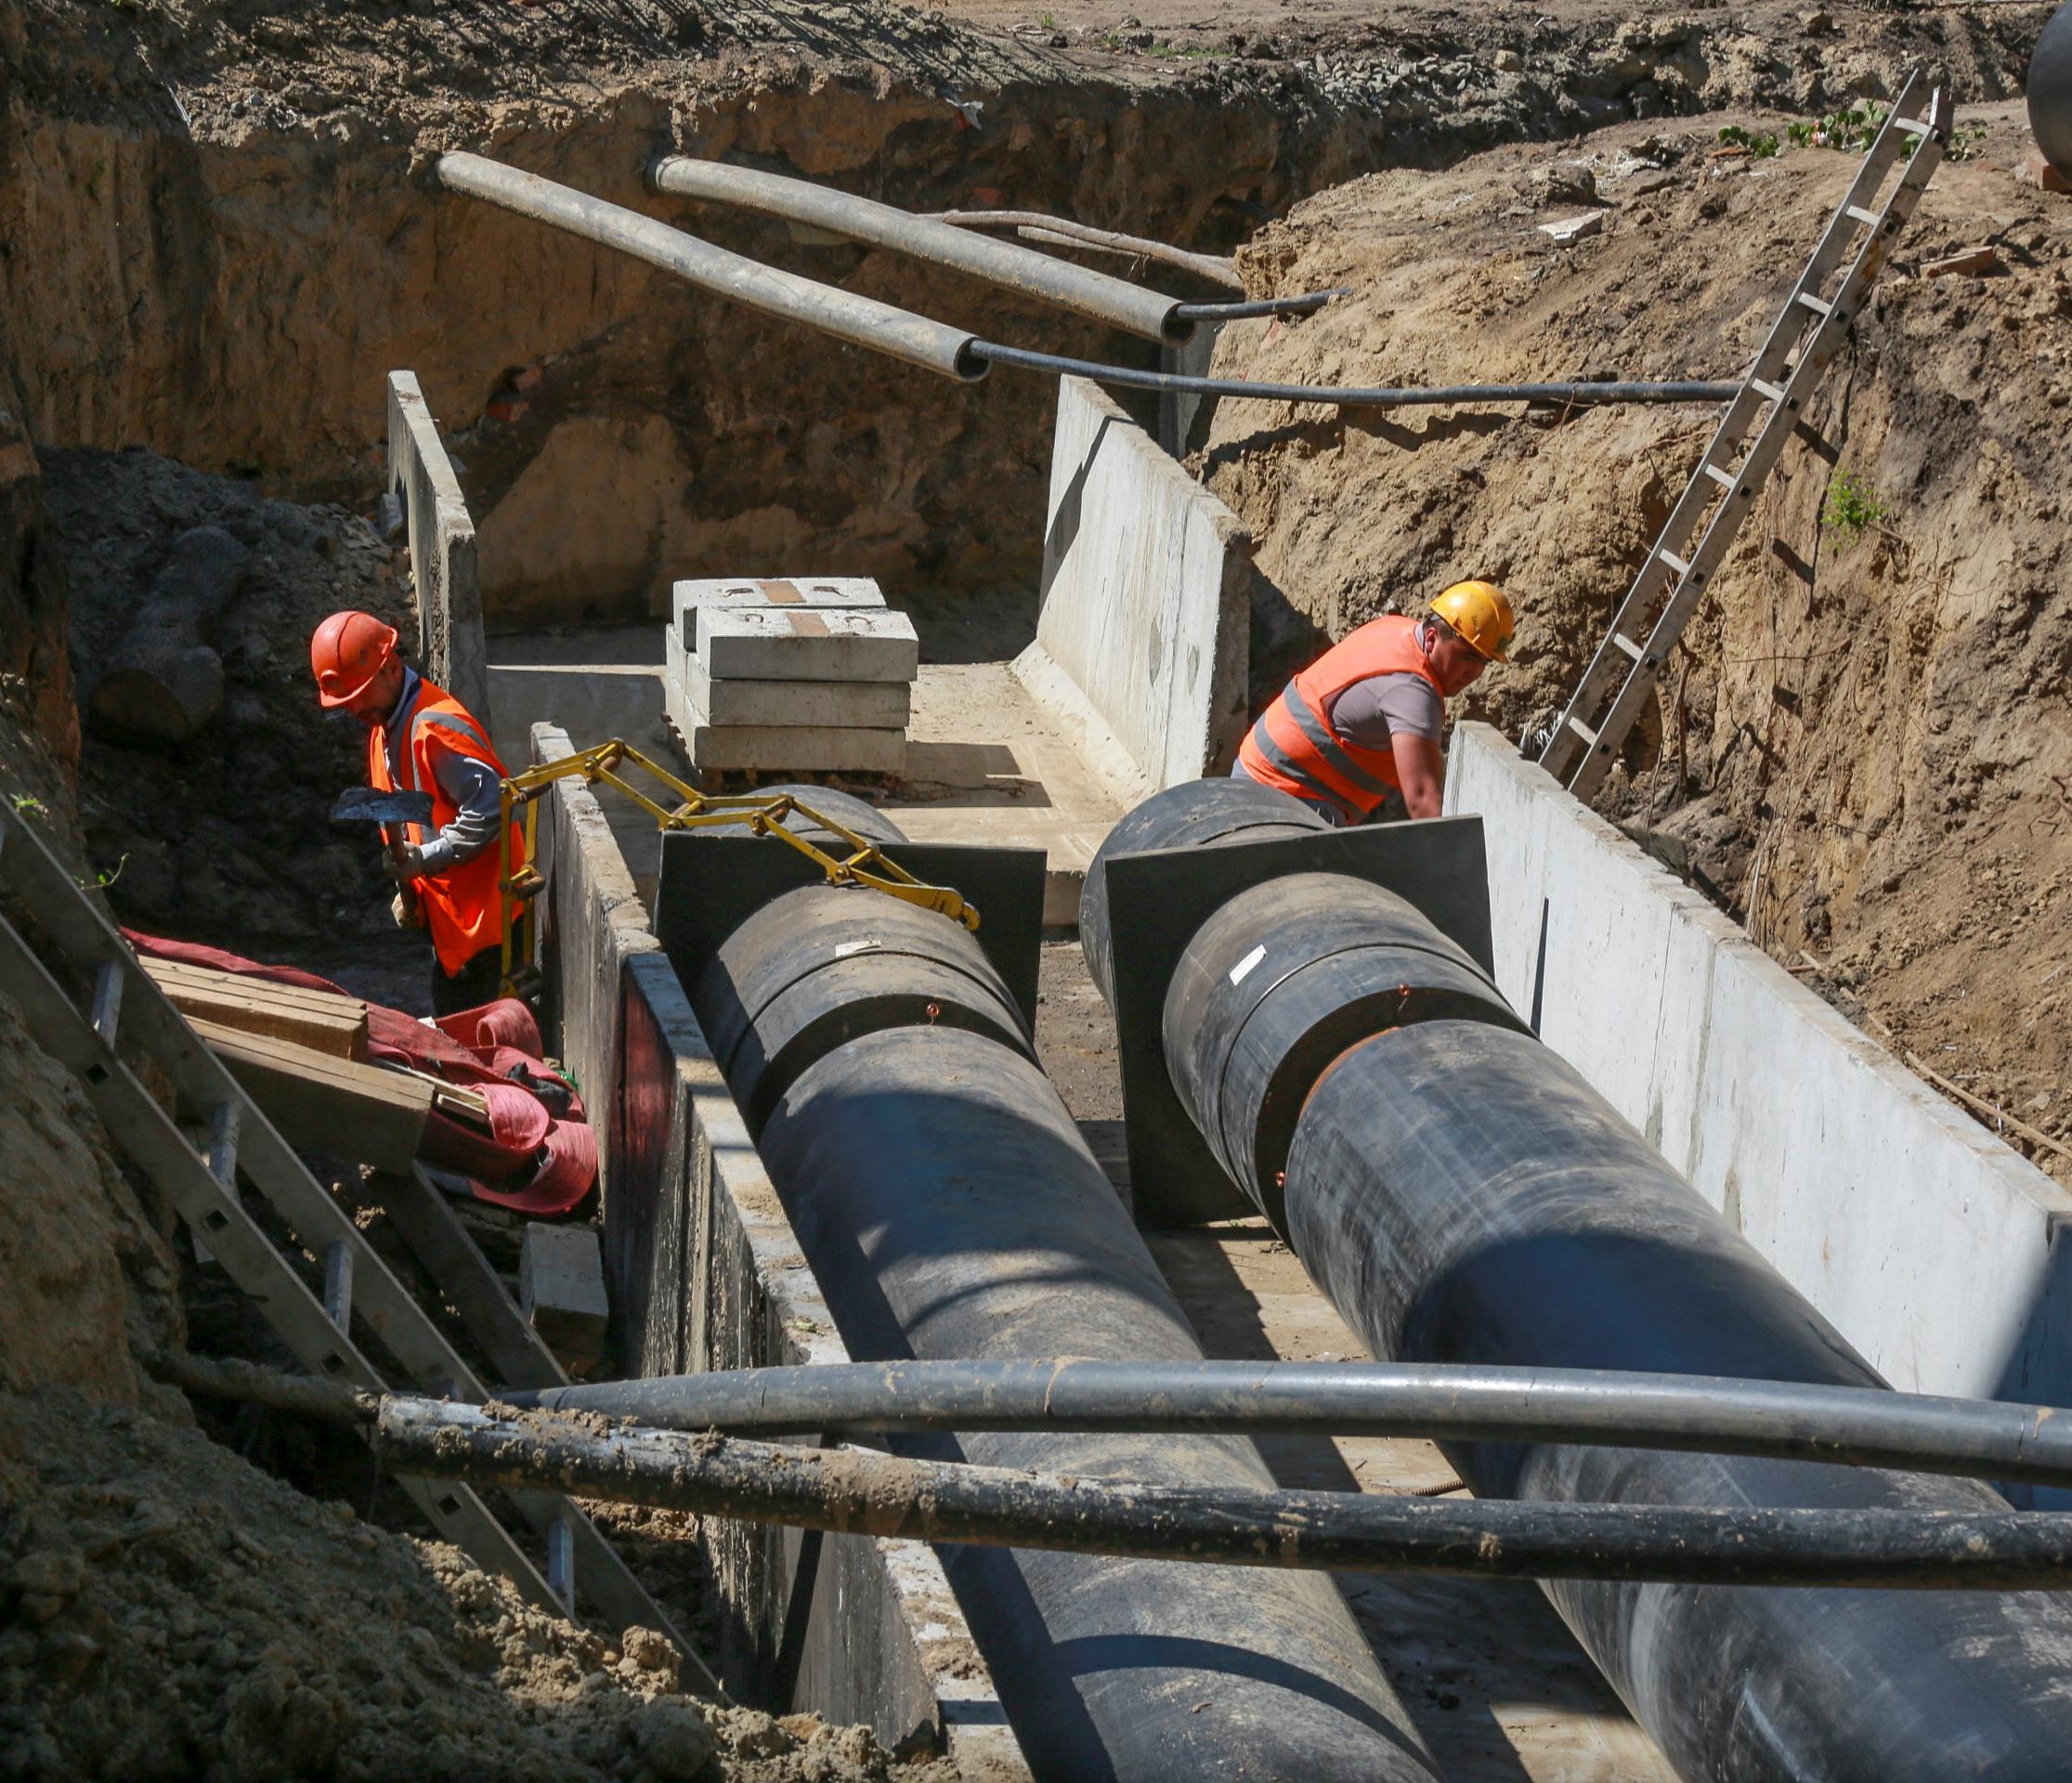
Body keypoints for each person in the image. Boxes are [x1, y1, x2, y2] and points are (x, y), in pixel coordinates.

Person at [310, 610, 517, 1015]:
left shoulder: (434, 729)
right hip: (452, 926)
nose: (355, 710)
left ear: (390, 667)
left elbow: (491, 811)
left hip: (487, 927)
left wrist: (422, 861)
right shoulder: (383, 730)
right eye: (347, 702)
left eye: (360, 696)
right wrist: (413, 893)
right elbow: (413, 824)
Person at [1233, 579, 1514, 826]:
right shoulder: (1413, 691)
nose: (1473, 673)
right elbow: (1423, 801)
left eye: (1483, 662)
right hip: (1286, 795)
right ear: (1432, 638)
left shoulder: (1395, 629)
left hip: (1254, 767)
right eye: (1466, 656)